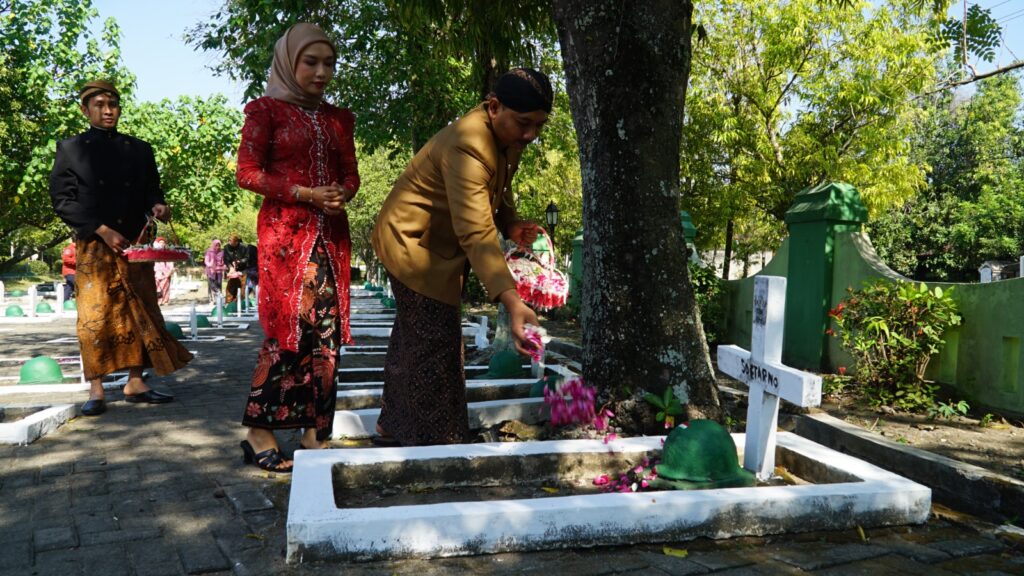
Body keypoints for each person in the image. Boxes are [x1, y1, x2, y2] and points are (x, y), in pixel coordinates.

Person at [371, 68, 551, 446]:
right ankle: (435, 440)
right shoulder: (467, 144)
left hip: (433, 246)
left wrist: (511, 222)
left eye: (538, 125)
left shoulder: (506, 137)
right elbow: (474, 229)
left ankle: (392, 424)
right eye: (523, 123)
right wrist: (512, 301)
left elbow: (497, 186)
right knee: (435, 343)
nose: (530, 135)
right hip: (412, 244)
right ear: (494, 106)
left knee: (414, 340)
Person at [235, 23, 360, 472]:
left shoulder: (337, 119)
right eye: (311, 62)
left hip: (330, 238)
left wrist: (342, 192)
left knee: (326, 335)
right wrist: (305, 193)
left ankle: (315, 432)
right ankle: (259, 430)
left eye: (329, 63)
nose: (322, 72)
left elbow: (351, 175)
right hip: (285, 238)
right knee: (288, 331)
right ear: (290, 62)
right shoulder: (266, 111)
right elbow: (247, 173)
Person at [48, 79, 190, 416]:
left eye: (113, 104)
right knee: (94, 318)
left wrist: (158, 205)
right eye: (99, 104)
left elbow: (151, 190)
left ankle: (136, 381)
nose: (108, 110)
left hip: (135, 245)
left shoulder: (139, 149)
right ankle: (96, 389)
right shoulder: (70, 149)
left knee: (140, 311)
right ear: (86, 110)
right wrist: (101, 229)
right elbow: (62, 200)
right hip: (94, 245)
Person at [223, 234, 248, 304]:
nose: (229, 243)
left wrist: (239, 262)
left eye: (231, 242)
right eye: (229, 241)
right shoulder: (226, 248)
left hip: (242, 270)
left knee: (242, 288)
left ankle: (240, 304)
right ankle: (228, 304)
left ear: (236, 242)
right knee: (230, 288)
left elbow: (247, 258)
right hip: (232, 271)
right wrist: (230, 267)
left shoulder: (244, 247)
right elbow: (225, 259)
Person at [152, 237, 174, 305]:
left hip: (166, 272)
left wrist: (170, 271)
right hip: (157, 272)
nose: (161, 244)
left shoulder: (167, 252)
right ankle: (158, 301)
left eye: (163, 243)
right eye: (160, 243)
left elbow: (171, 262)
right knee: (157, 288)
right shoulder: (154, 252)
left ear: (165, 244)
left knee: (165, 287)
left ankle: (165, 301)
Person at [204, 239, 225, 305]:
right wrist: (211, 266)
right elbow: (206, 261)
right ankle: (211, 300)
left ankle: (218, 300)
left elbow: (224, 261)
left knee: (219, 284)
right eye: (216, 245)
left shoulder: (222, 252)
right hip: (211, 271)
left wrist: (223, 265)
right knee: (211, 285)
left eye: (219, 245)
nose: (217, 247)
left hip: (219, 270)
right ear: (213, 245)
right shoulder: (209, 251)